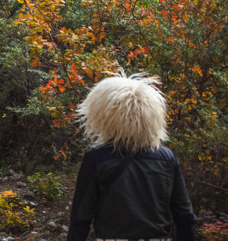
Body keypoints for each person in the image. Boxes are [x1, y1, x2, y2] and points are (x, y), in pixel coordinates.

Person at [68, 72, 196, 241]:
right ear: (152, 115)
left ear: (105, 115)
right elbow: (185, 215)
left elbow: (80, 217)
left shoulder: (97, 158)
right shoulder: (166, 158)